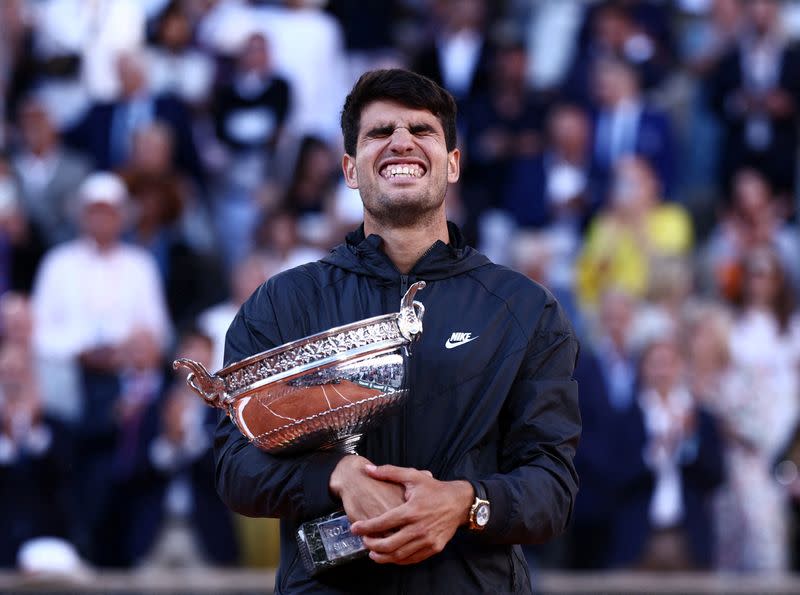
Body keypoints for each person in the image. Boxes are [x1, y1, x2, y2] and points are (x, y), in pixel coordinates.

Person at [214, 68, 580, 593]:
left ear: (452, 164)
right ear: (349, 169)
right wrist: (334, 476)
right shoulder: (282, 303)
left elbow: (553, 487)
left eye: (422, 130)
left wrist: (464, 504)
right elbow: (234, 466)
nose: (401, 142)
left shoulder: (524, 309)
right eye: (379, 133)